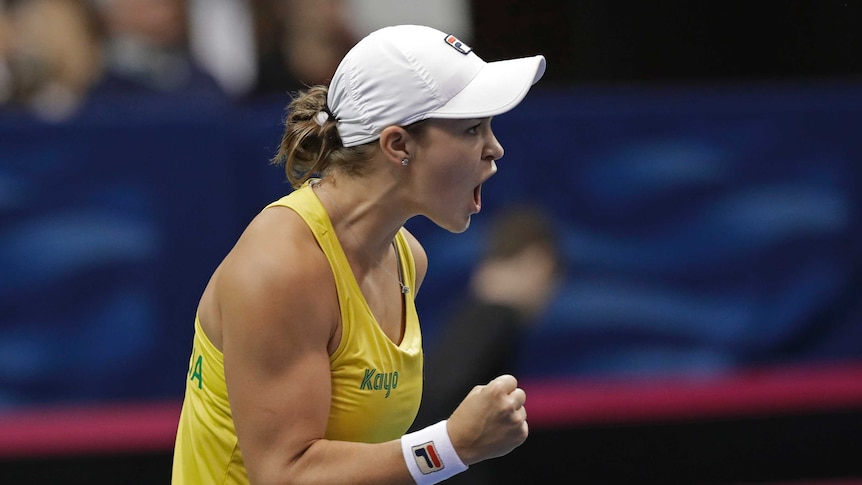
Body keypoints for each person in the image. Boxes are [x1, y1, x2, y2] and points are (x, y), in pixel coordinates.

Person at [172, 24, 546, 485]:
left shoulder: (408, 259)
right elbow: (284, 475)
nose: (495, 148)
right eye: (472, 128)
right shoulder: (280, 268)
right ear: (398, 145)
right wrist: (452, 446)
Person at [410, 204, 565, 484]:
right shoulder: (496, 318)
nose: (548, 297)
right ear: (538, 262)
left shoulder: (475, 315)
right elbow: (441, 398)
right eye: (552, 280)